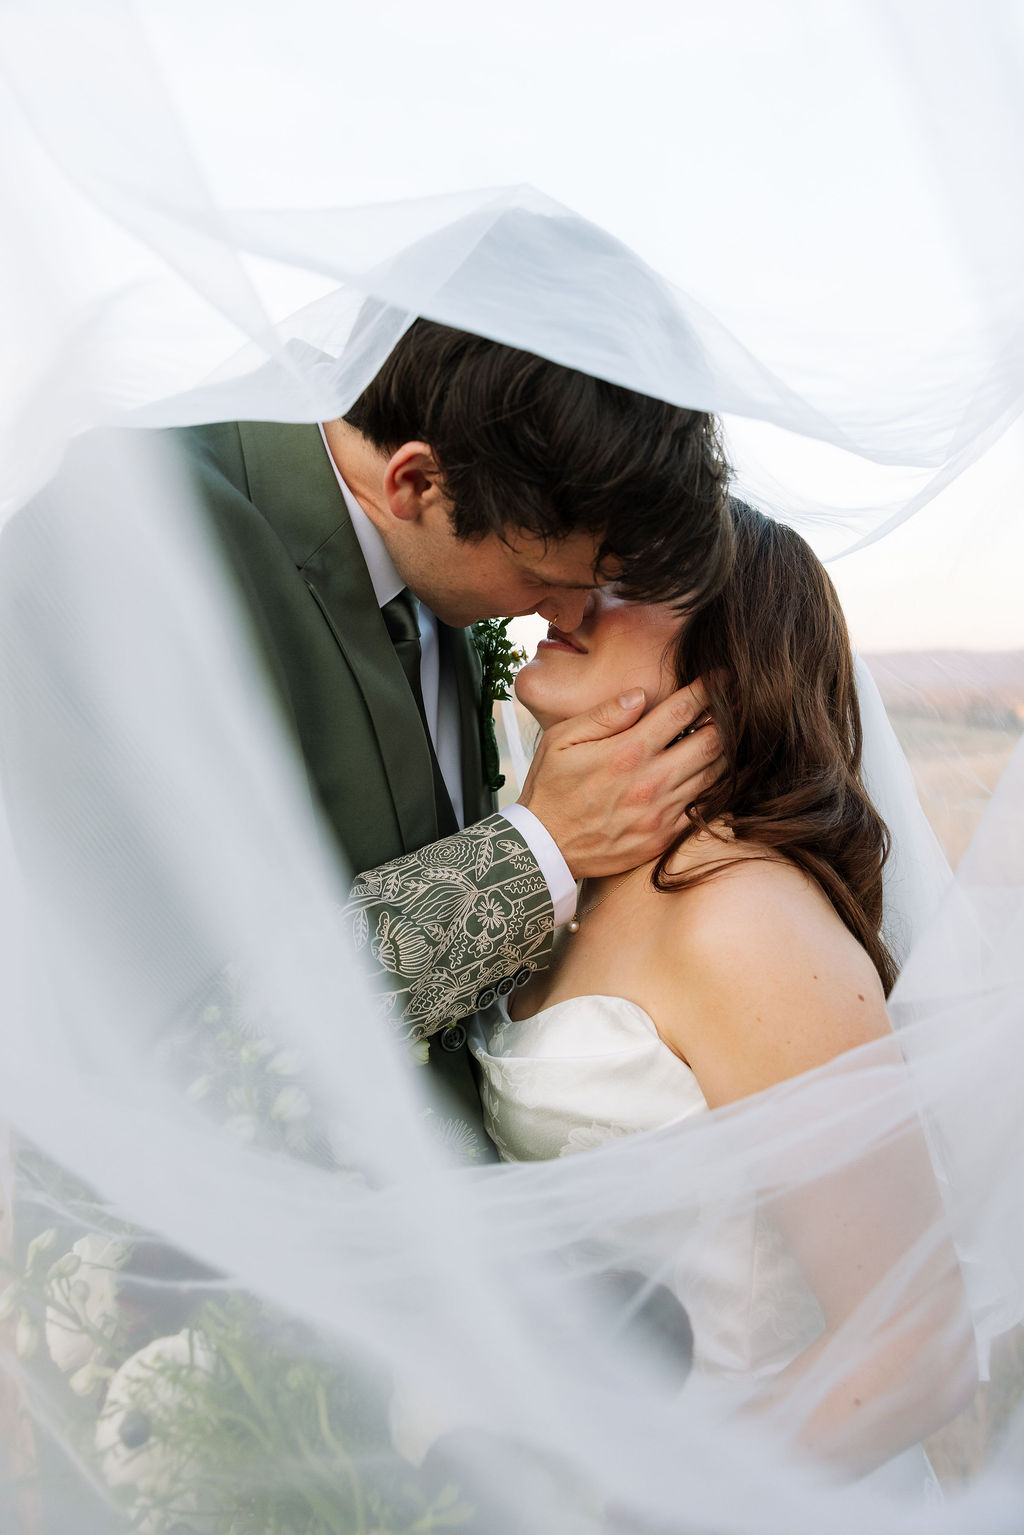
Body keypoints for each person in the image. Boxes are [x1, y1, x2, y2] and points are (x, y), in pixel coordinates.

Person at [465, 498, 977, 1477]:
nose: (573, 592)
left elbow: (922, 1344)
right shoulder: (588, 877)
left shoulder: (744, 917)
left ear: (724, 663)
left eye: (631, 582)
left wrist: (637, 1494)